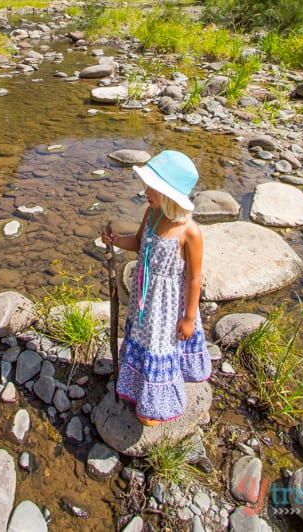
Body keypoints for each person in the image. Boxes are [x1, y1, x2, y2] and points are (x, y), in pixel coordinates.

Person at [101, 149, 211, 425]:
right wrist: (115, 240)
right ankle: (137, 387)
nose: (145, 191)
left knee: (161, 344)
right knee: (143, 339)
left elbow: (193, 279)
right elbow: (139, 243)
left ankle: (158, 403)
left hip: (168, 305)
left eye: (152, 187)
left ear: (170, 194)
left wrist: (188, 318)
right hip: (145, 299)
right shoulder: (151, 214)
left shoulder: (190, 232)